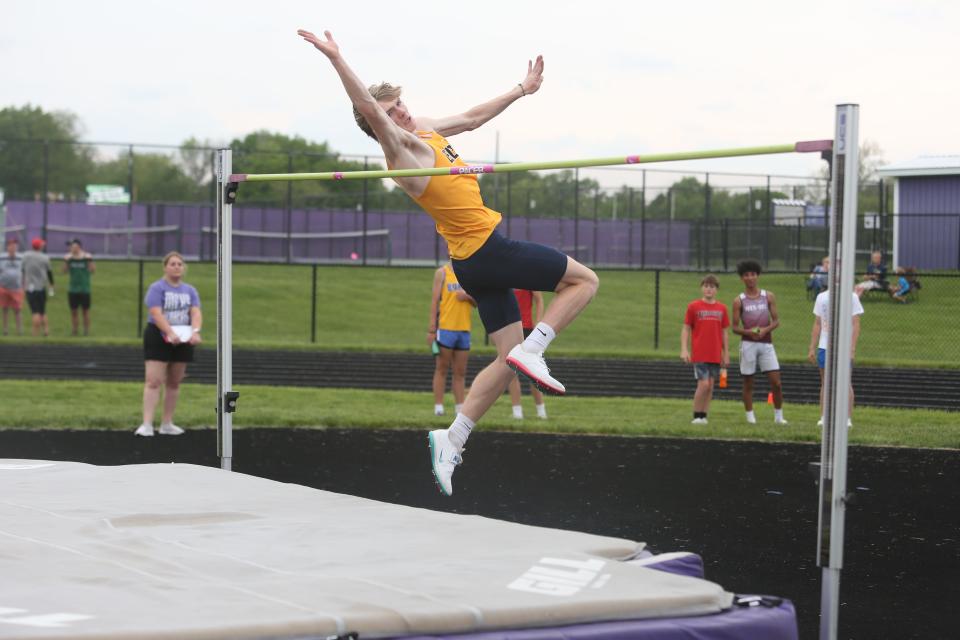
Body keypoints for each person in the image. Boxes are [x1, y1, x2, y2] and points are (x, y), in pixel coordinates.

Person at [298, 29, 599, 496]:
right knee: (584, 282)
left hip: (471, 261)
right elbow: (371, 109)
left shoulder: (427, 129)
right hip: (487, 253)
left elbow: (474, 117)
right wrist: (337, 59)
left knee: (507, 360)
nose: (401, 111)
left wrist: (522, 90)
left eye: (401, 103)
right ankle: (537, 346)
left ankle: (452, 437)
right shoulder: (401, 151)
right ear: (378, 121)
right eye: (392, 110)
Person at [136, 252, 202, 437]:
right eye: (172, 264)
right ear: (165, 267)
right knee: (153, 380)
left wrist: (195, 332)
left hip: (183, 337)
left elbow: (195, 313)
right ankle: (147, 423)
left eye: (179, 264)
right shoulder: (157, 288)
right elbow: (156, 313)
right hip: (159, 337)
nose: (176, 267)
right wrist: (169, 332)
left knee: (174, 382)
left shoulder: (190, 290)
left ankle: (167, 423)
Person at [731, 260, 786, 425]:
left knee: (776, 383)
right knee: (748, 382)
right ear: (742, 278)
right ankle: (750, 418)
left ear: (758, 276)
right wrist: (748, 332)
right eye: (746, 275)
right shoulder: (738, 301)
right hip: (748, 344)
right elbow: (734, 327)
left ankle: (779, 417)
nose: (750, 278)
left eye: (753, 274)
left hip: (766, 344)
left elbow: (776, 321)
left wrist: (765, 330)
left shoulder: (768, 296)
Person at [808, 286, 863, 428]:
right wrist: (812, 347)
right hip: (825, 346)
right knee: (825, 383)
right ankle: (824, 417)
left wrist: (852, 348)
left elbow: (856, 324)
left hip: (843, 348)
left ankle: (847, 419)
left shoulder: (852, 297)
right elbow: (818, 323)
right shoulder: (822, 297)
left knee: (846, 383)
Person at [680, 275, 730, 425]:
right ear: (702, 288)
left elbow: (724, 332)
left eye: (712, 286)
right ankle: (696, 415)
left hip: (715, 354)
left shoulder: (722, 308)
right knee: (704, 384)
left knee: (711, 386)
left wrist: (726, 353)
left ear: (716, 290)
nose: (709, 289)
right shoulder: (693, 306)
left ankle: (703, 416)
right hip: (700, 353)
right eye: (706, 286)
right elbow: (686, 329)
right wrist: (684, 349)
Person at [428, 263, 476, 417]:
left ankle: (460, 408)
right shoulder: (442, 273)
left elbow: (477, 302)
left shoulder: (470, 272)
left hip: (464, 329)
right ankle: (438, 406)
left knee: (460, 371)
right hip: (446, 327)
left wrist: (467, 296)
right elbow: (435, 301)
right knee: (442, 368)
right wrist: (432, 328)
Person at [507, 288, 547, 419]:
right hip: (510, 328)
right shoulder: (503, 273)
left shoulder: (527, 274)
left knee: (533, 372)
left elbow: (539, 299)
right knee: (511, 372)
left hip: (527, 329)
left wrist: (539, 323)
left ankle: (541, 412)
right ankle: (517, 412)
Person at [21, 237, 55, 337]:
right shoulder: (45, 258)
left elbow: (22, 270)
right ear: (39, 246)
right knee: (42, 311)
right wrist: (51, 284)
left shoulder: (26, 256)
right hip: (41, 288)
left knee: (35, 312)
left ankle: (35, 334)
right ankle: (46, 331)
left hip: (30, 288)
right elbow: (49, 273)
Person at [63, 238, 95, 336]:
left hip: (84, 289)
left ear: (79, 247)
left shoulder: (86, 257)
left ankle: (86, 331)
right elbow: (64, 271)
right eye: (72, 247)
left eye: (75, 247)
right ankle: (74, 331)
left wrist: (89, 260)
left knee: (85, 311)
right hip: (73, 289)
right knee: (74, 312)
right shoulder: (69, 258)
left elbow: (93, 270)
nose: (73, 249)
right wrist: (66, 261)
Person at [0, 237, 24, 335]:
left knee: (17, 310)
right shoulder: (2, 257)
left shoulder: (21, 258)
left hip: (16, 288)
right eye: (11, 245)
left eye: (14, 246)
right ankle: (5, 330)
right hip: (4, 287)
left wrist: (24, 285)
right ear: (8, 247)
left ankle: (20, 331)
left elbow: (24, 271)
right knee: (5, 309)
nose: (13, 247)